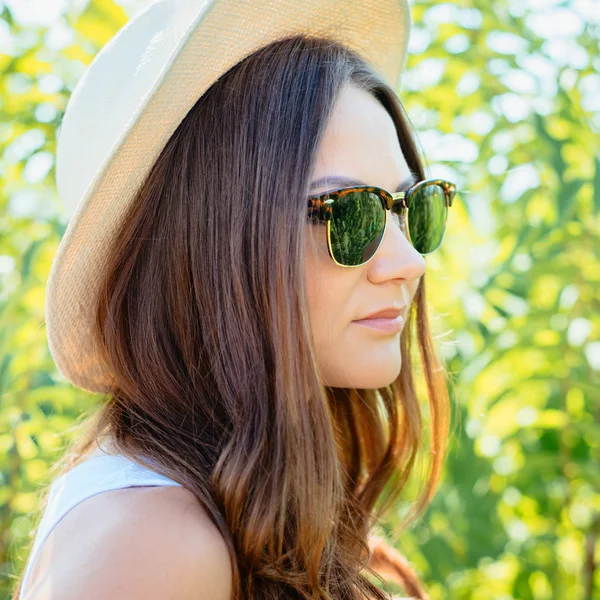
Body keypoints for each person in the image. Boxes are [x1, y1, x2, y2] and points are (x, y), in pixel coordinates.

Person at [12, 0, 456, 598]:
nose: (409, 263)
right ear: (212, 244)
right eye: (350, 214)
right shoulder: (154, 545)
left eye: (412, 209)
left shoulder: (240, 514)